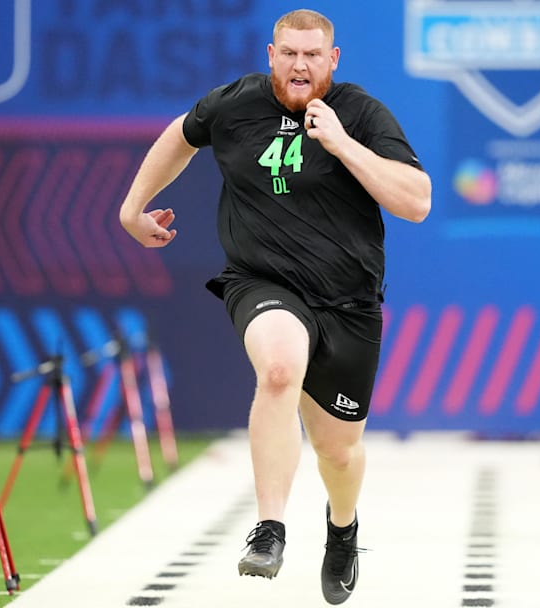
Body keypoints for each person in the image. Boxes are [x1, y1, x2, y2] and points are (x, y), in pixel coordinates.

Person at [118, 9, 431, 604]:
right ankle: (270, 528)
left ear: (333, 60)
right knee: (280, 368)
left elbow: (416, 201)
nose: (300, 66)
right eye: (289, 53)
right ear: (271, 54)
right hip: (262, 282)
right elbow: (181, 135)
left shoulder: (360, 113)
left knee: (338, 451)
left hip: (348, 300)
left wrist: (340, 142)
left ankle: (342, 529)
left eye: (313, 55)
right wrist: (134, 208)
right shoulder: (235, 104)